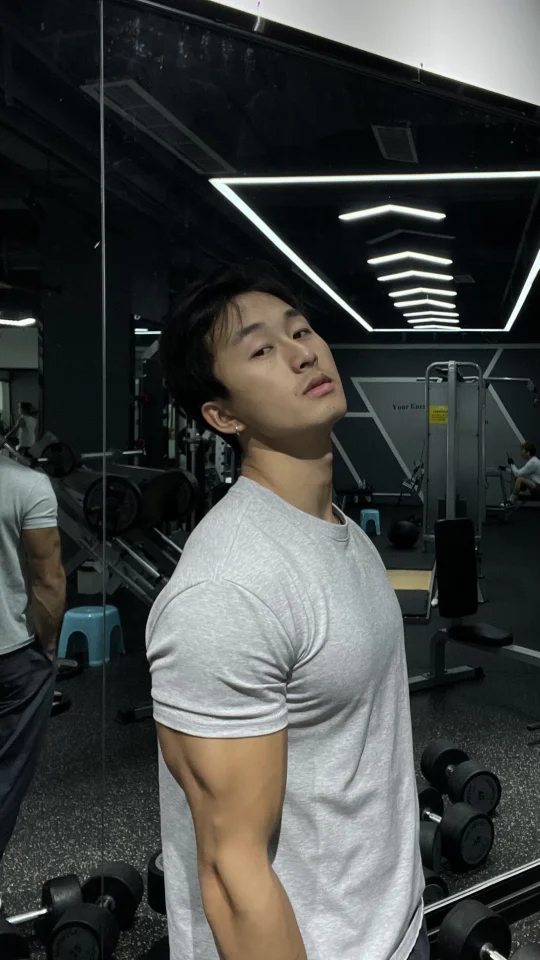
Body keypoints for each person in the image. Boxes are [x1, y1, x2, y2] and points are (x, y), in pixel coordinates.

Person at [146, 265, 425, 960]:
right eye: (263, 349)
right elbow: (232, 875)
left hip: (391, 927)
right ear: (223, 416)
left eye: (301, 331)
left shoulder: (342, 532)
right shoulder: (227, 589)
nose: (302, 353)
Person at [0, 452, 66, 866]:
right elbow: (49, 579)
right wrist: (49, 645)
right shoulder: (27, 485)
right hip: (11, 656)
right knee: (5, 776)